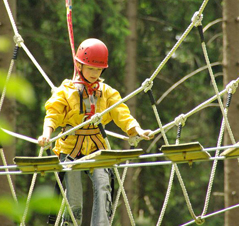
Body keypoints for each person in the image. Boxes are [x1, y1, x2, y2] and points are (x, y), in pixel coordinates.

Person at [38, 38, 153, 226]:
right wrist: (46, 134)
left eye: (98, 70)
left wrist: (136, 130)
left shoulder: (107, 93)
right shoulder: (65, 92)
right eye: (90, 68)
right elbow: (53, 115)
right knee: (73, 196)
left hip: (97, 148)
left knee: (103, 183)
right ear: (80, 66)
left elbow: (121, 113)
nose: (94, 73)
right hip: (70, 149)